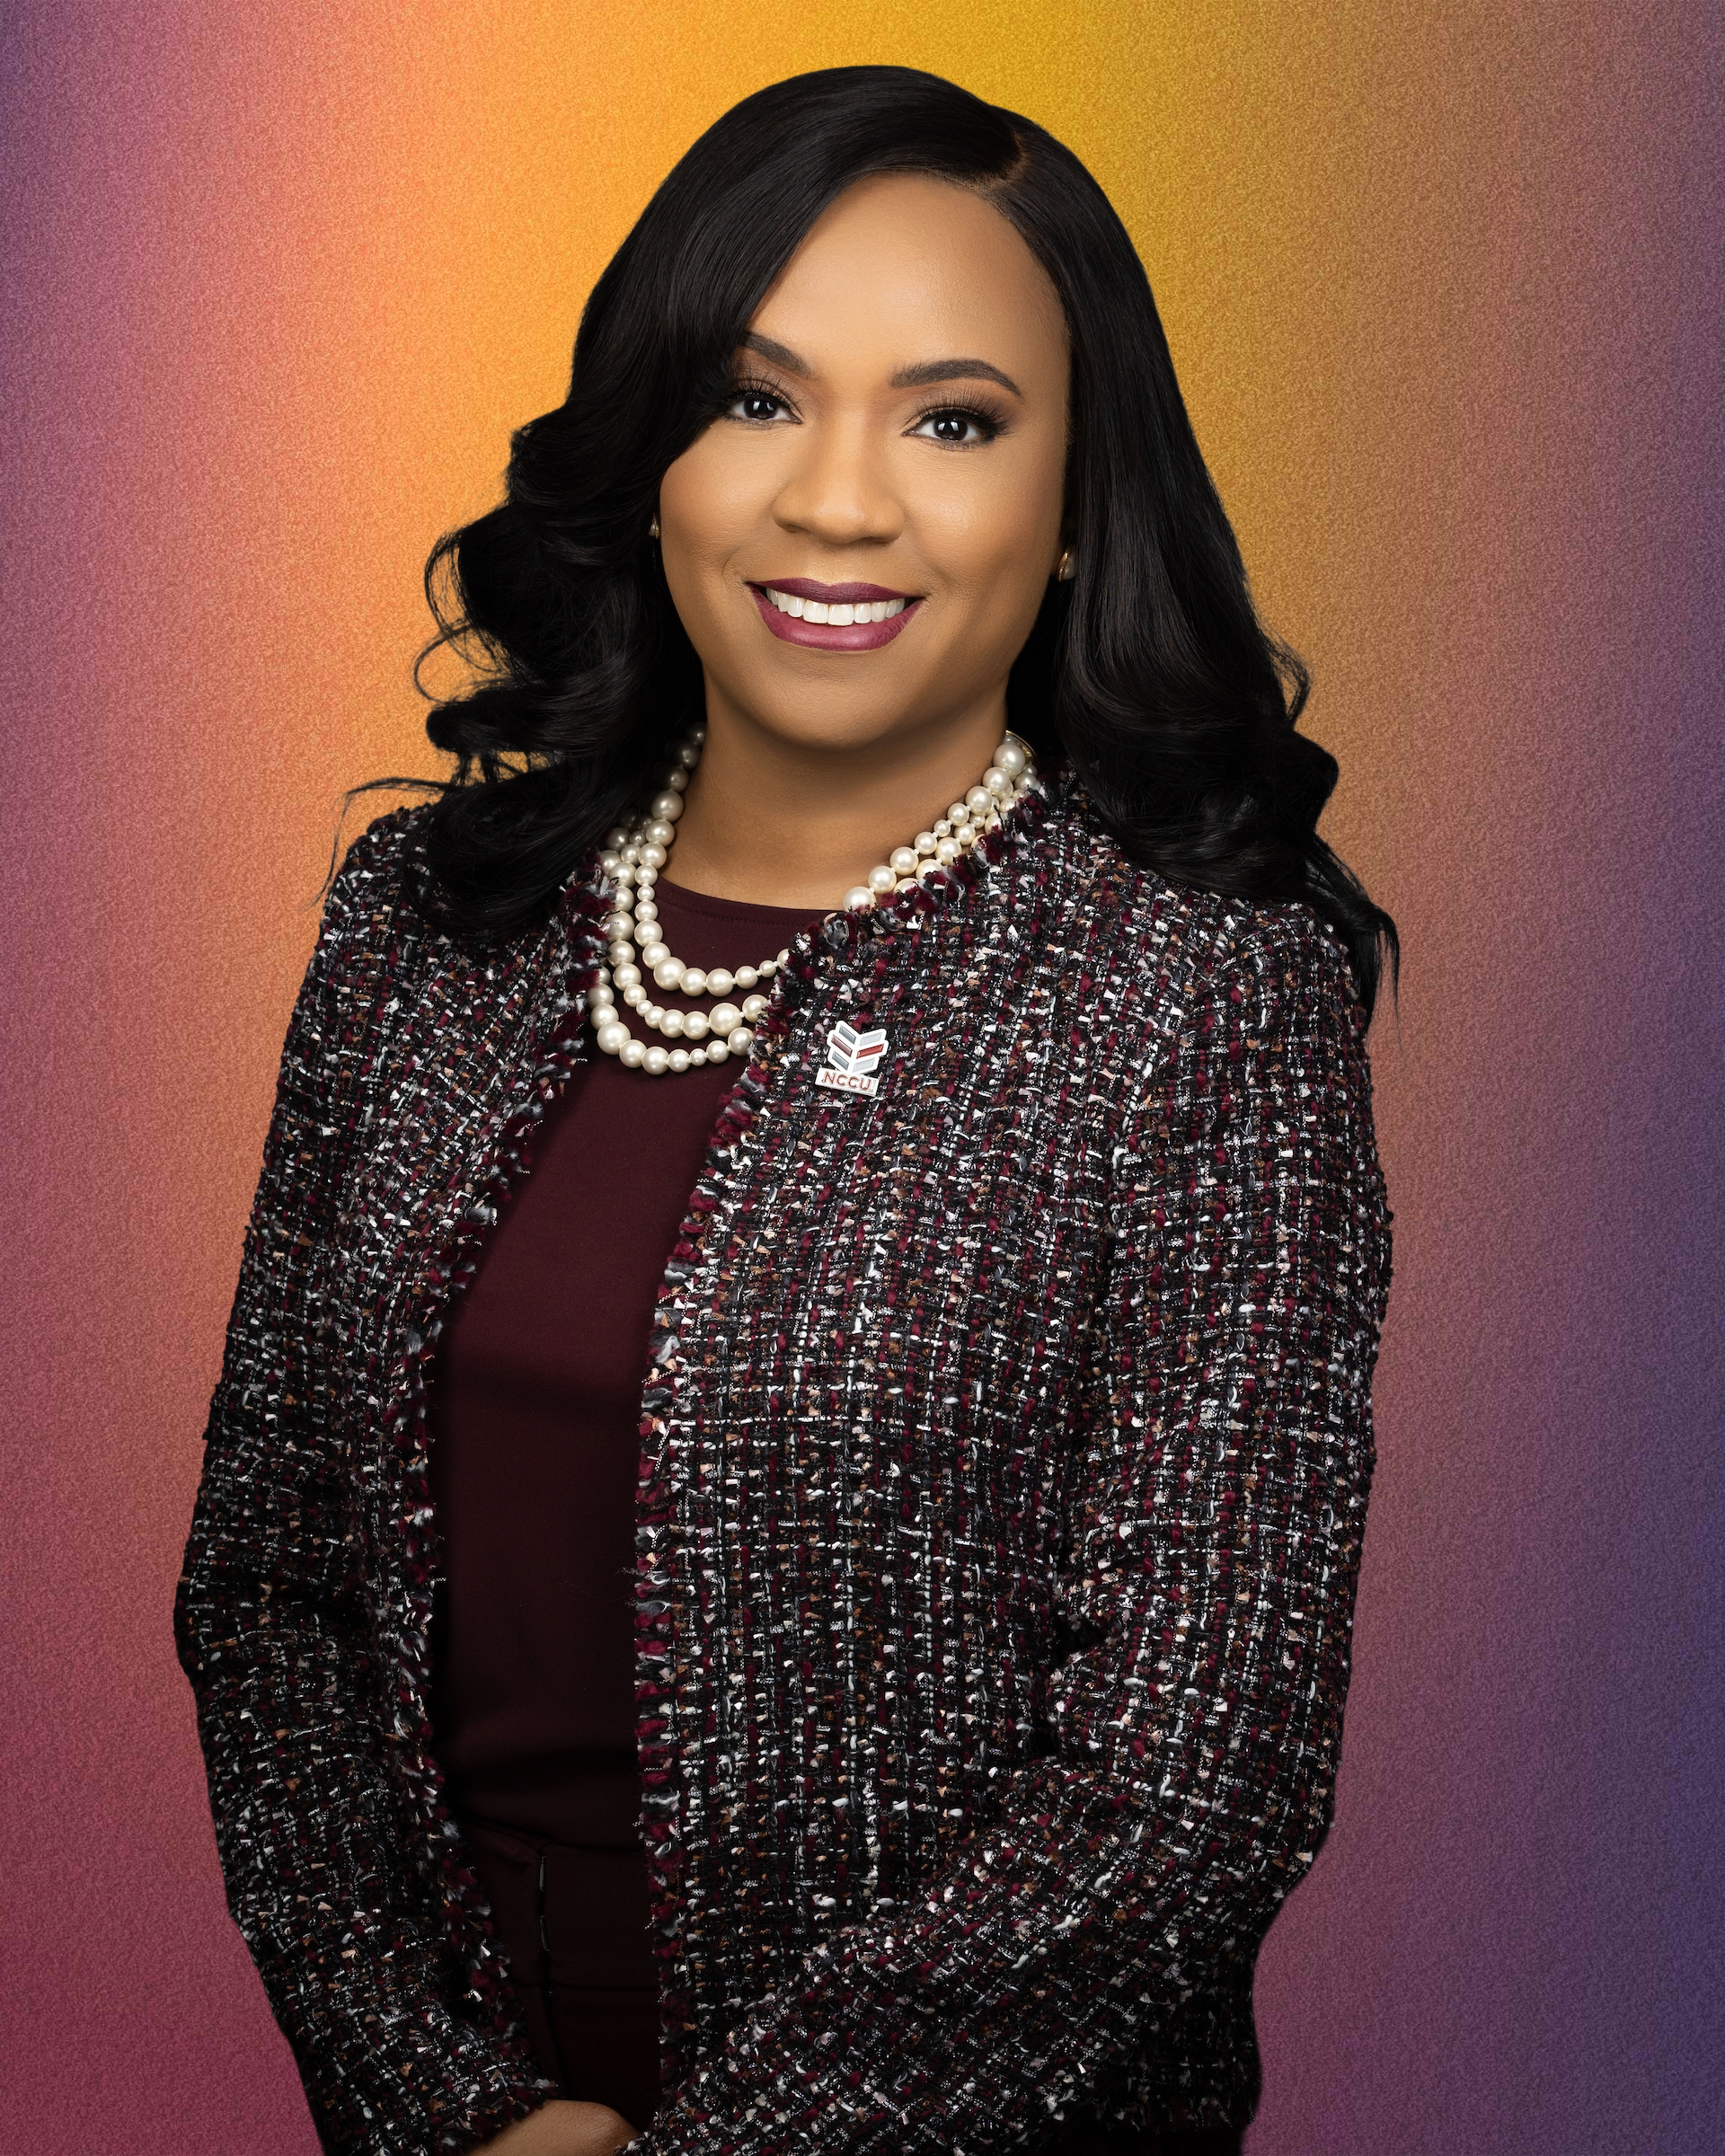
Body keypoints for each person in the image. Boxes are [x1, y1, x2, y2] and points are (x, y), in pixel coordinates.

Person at [175, 65, 1397, 2156]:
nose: (837, 499)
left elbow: (1192, 1762)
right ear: (650, 456)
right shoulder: (421, 925)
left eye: (952, 419)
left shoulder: (1200, 991)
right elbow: (270, 1588)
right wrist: (445, 2110)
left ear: (1084, 495)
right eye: (755, 400)